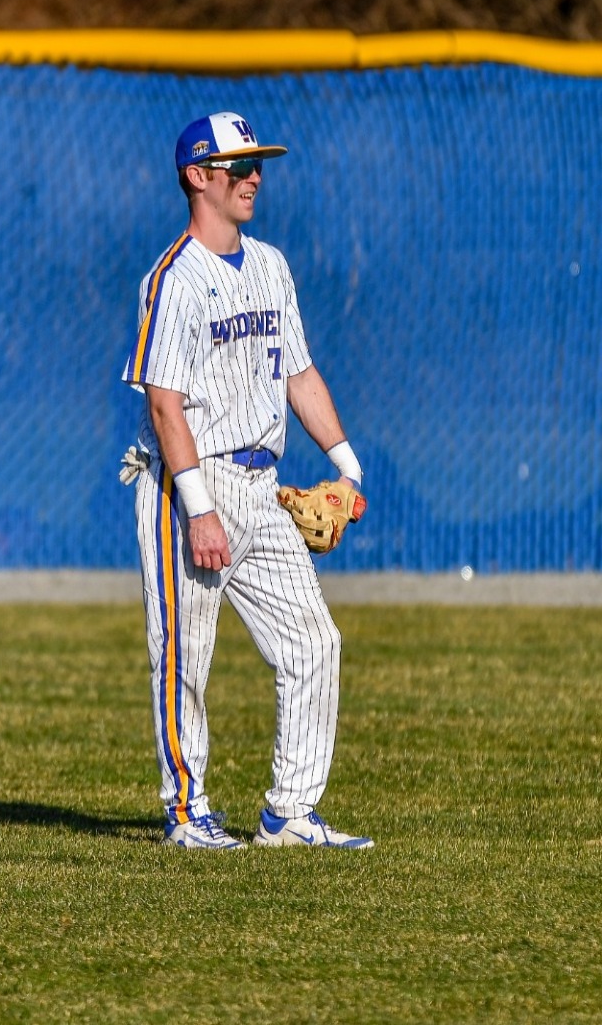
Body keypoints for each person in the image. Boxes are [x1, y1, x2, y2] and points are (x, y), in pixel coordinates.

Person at [119, 111, 371, 849]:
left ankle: (289, 812)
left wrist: (346, 466)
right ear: (199, 177)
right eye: (238, 167)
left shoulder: (270, 265)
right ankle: (187, 811)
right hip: (189, 484)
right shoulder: (174, 279)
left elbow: (297, 371)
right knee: (184, 657)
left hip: (263, 488)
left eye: (258, 165)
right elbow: (164, 405)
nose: (254, 177)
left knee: (313, 645)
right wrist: (198, 512)